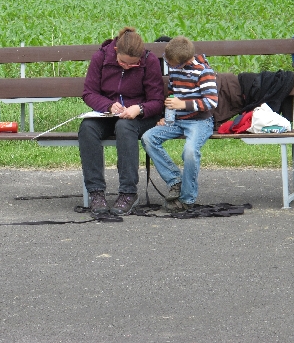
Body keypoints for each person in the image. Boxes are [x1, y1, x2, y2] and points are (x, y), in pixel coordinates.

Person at [79, 27, 164, 217]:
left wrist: (139, 108)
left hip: (138, 117)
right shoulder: (100, 58)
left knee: (124, 127)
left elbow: (157, 101)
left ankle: (128, 192)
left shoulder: (149, 60)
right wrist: (108, 105)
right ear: (116, 50)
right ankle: (96, 192)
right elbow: (89, 93)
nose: (127, 67)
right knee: (87, 128)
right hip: (107, 114)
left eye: (133, 65)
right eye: (123, 62)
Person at [141, 36, 218, 213]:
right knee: (148, 138)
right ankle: (175, 180)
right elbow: (172, 95)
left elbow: (211, 102)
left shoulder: (204, 72)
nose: (169, 66)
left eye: (172, 64)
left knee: (190, 151)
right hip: (177, 121)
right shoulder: (175, 71)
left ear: (185, 62)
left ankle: (187, 198)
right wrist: (166, 117)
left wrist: (183, 104)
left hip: (199, 121)